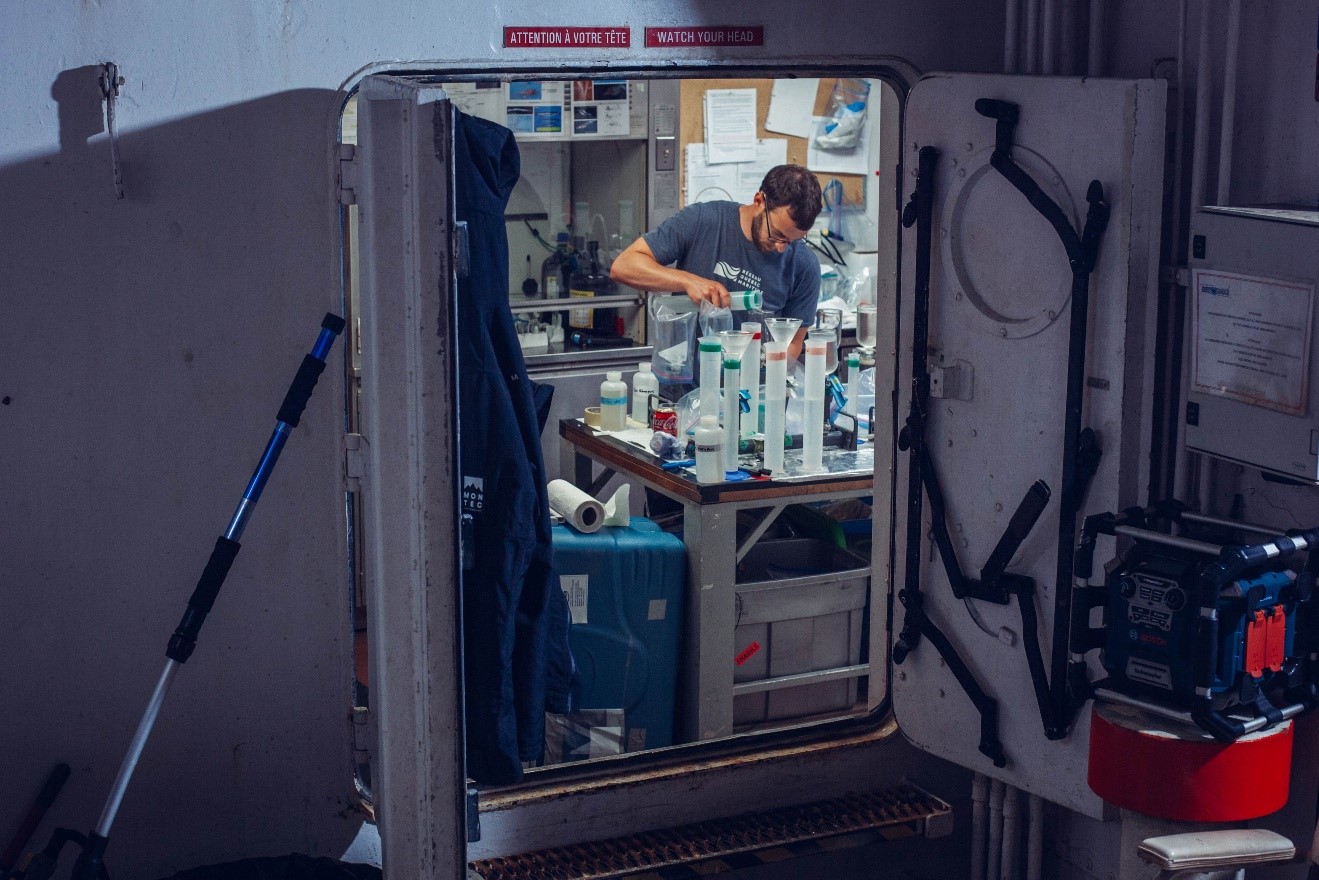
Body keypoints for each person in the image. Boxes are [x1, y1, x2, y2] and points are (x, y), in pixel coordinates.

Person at [610, 164, 823, 359]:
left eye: (791, 240)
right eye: (776, 234)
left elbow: (794, 344)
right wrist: (687, 281)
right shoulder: (704, 220)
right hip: (684, 387)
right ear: (759, 202)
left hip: (751, 394)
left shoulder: (804, 265)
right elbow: (624, 265)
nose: (781, 247)